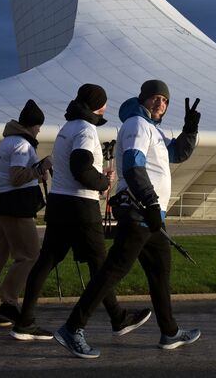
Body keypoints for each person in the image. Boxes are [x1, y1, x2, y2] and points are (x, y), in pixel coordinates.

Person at [53, 80, 200, 359]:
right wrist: (151, 201)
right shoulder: (136, 124)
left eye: (165, 100)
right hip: (139, 209)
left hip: (149, 212)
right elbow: (133, 165)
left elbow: (176, 154)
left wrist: (190, 128)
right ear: (143, 99)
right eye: (156, 98)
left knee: (159, 271)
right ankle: (72, 328)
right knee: (114, 270)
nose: (161, 104)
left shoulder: (152, 129)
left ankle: (169, 332)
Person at [9, 84, 149, 341]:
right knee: (101, 266)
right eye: (104, 103)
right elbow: (81, 168)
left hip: (60, 203)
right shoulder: (86, 130)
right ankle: (117, 319)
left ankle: (25, 321)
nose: (107, 107)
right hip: (81, 207)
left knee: (47, 261)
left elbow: (74, 166)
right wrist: (104, 183)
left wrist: (96, 176)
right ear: (98, 105)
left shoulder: (67, 127)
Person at [0, 99, 49, 327]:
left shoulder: (9, 141)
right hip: (15, 207)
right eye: (39, 126)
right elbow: (17, 177)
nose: (39, 130)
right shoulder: (21, 145)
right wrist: (41, 167)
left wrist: (37, 172)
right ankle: (9, 302)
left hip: (0, 203)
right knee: (29, 255)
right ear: (32, 125)